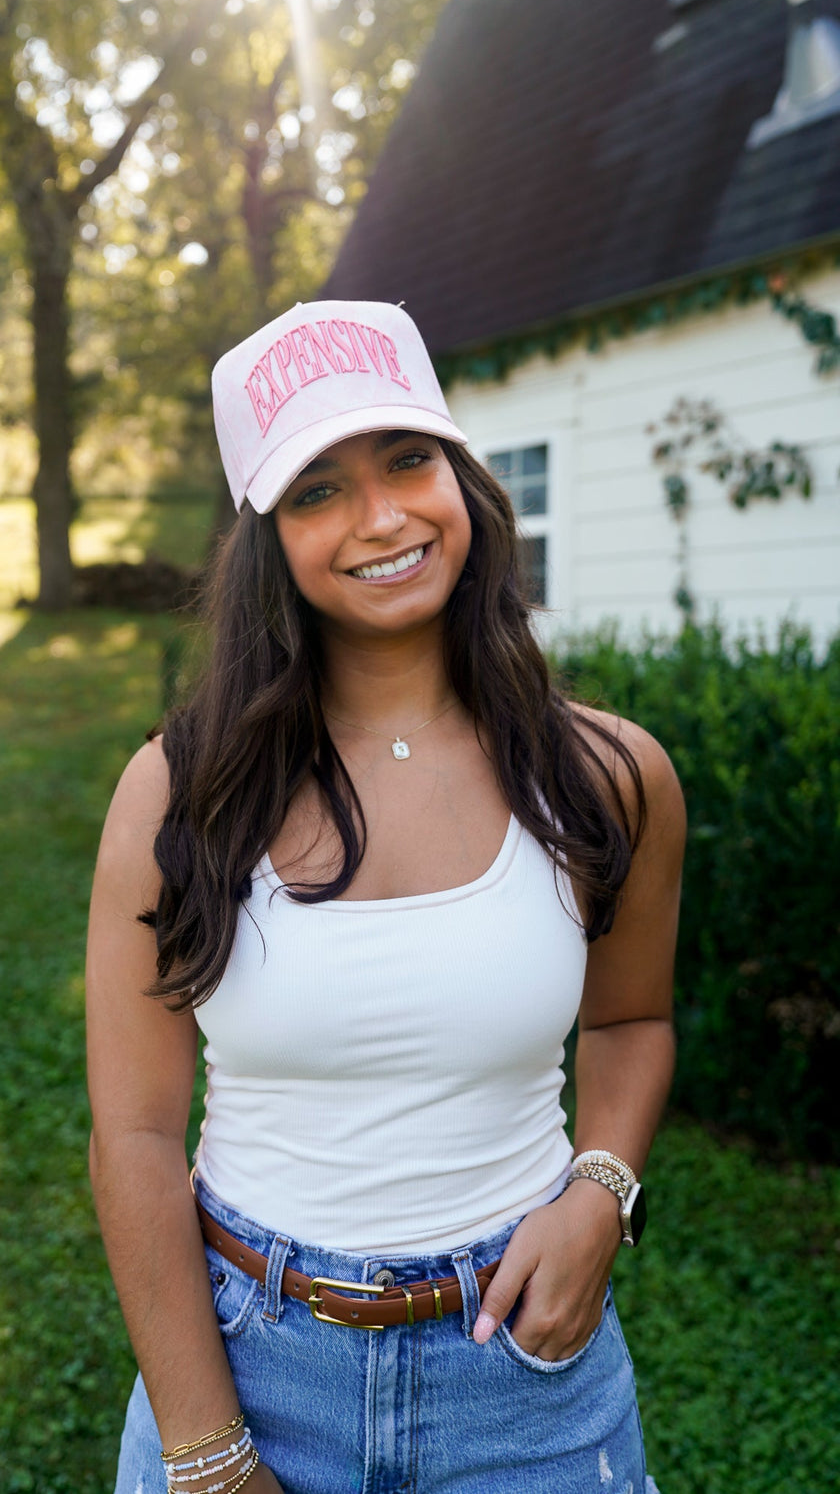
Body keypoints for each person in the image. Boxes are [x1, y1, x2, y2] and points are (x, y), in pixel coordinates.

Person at [86, 300, 684, 1494]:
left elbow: (629, 1023)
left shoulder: (608, 776)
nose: (381, 517)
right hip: (246, 1361)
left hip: (524, 1376)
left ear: (461, 476)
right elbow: (136, 1139)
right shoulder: (181, 788)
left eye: (408, 459)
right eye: (317, 489)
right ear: (269, 535)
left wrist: (601, 1195)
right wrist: (205, 1453)